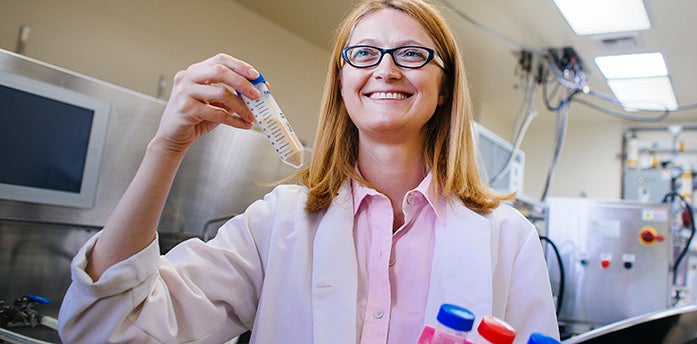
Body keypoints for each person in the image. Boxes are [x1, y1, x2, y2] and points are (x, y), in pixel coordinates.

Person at [58, 0, 559, 342]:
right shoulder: (276, 224)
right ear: (342, 82)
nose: (385, 69)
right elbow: (107, 328)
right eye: (364, 54)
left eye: (411, 54)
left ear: (444, 87)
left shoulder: (508, 239)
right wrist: (166, 147)